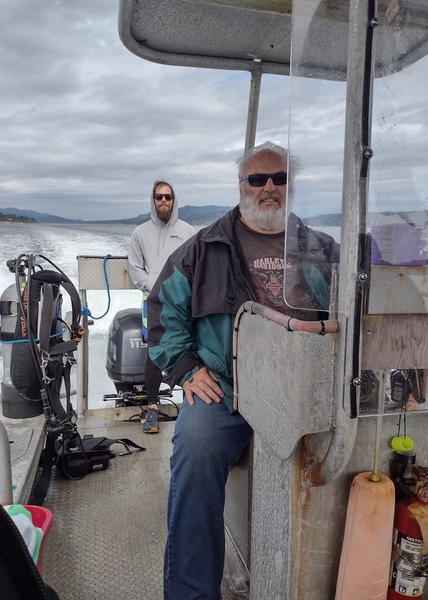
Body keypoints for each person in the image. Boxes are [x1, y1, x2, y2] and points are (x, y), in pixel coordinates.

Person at [147, 141, 340, 599]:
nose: (269, 187)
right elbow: (160, 310)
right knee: (195, 451)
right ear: (241, 187)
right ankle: (191, 592)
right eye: (258, 179)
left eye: (280, 178)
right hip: (227, 388)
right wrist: (185, 367)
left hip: (306, 384)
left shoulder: (322, 248)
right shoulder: (203, 248)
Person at [128, 180, 195, 433]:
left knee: (190, 349)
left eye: (168, 197)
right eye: (159, 197)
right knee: (154, 354)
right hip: (152, 304)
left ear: (174, 200)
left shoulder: (188, 231)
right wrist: (156, 290)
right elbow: (135, 270)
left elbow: (196, 267)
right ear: (153, 200)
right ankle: (153, 408)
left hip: (183, 304)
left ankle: (192, 407)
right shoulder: (139, 233)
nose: (164, 201)